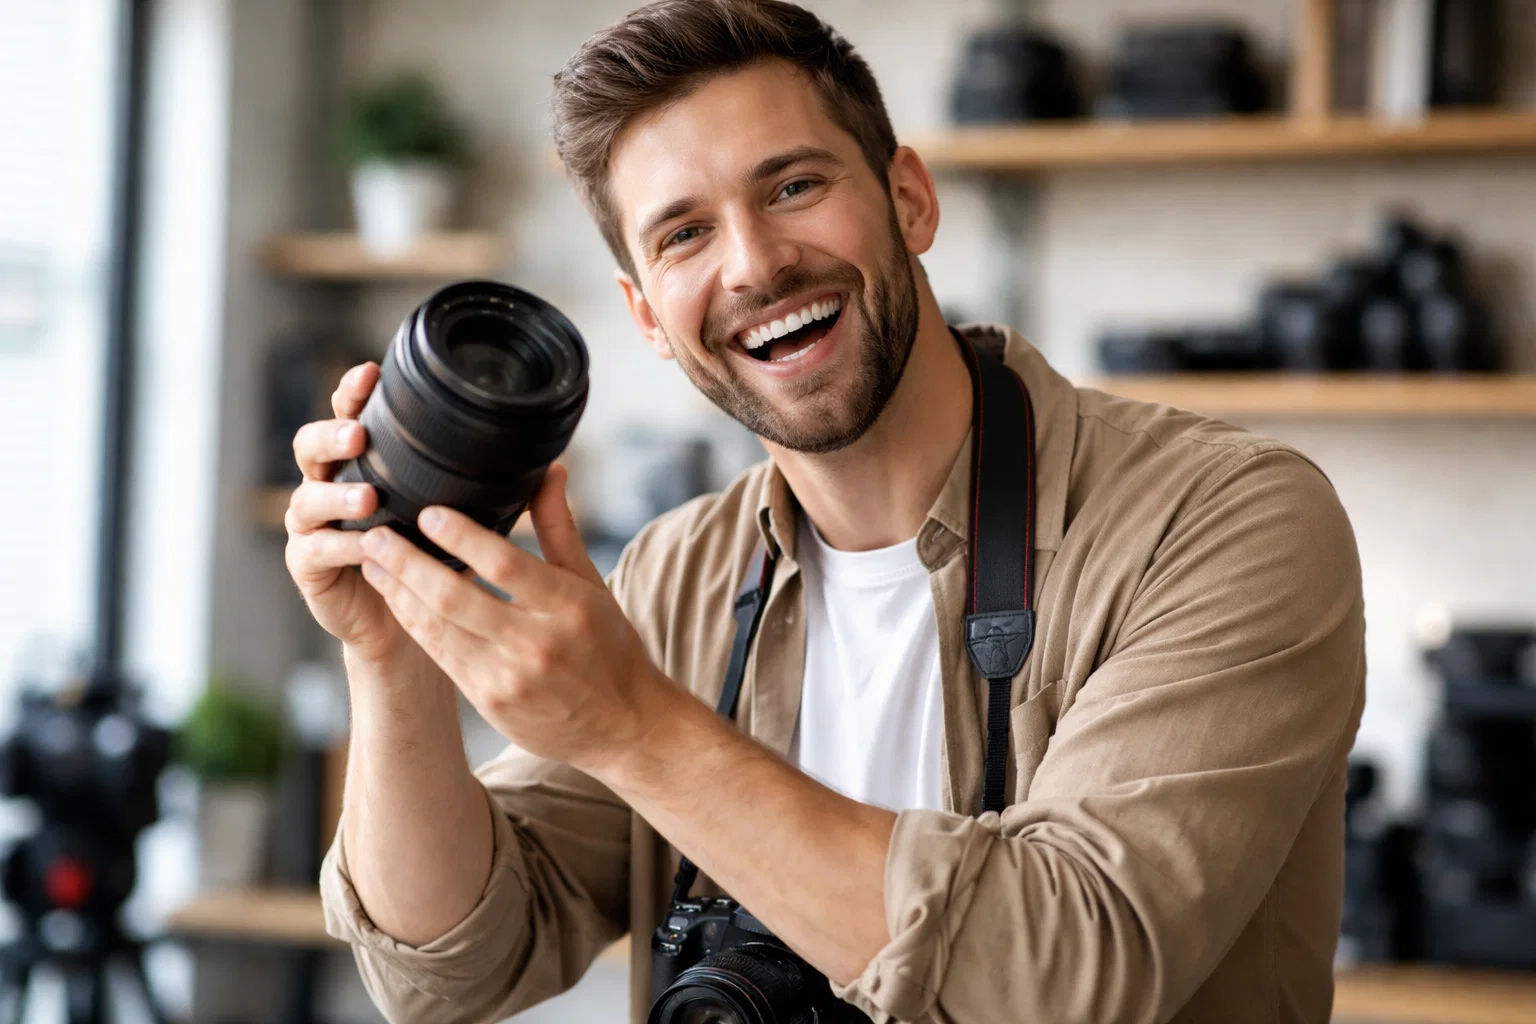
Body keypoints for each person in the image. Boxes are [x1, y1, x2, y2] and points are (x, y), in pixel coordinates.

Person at [287, 2, 1366, 1021]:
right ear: (647, 318)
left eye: (794, 186)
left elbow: (1071, 968)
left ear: (911, 200)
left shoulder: (1224, 519)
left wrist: (634, 725)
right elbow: (450, 968)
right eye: (683, 236)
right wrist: (393, 657)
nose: (754, 263)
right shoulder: (682, 573)